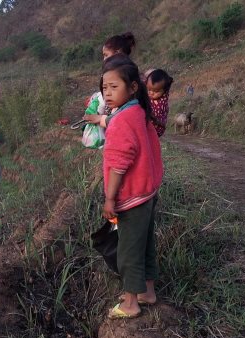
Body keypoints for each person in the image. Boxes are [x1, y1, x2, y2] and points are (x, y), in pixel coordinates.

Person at [99, 54, 164, 320]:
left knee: (128, 250)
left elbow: (118, 164)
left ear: (133, 87)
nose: (108, 93)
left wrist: (109, 198)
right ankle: (148, 291)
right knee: (145, 243)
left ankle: (130, 302)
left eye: (115, 87)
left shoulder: (121, 120)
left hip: (133, 196)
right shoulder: (138, 111)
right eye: (105, 88)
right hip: (147, 192)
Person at [83, 32, 137, 126]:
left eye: (106, 55)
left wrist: (101, 119)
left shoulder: (129, 112)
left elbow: (120, 118)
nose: (107, 93)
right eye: (105, 88)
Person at [145, 69, 174, 137]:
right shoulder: (149, 94)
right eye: (149, 89)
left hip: (157, 129)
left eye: (156, 91)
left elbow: (154, 116)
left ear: (164, 91)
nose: (151, 93)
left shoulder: (162, 102)